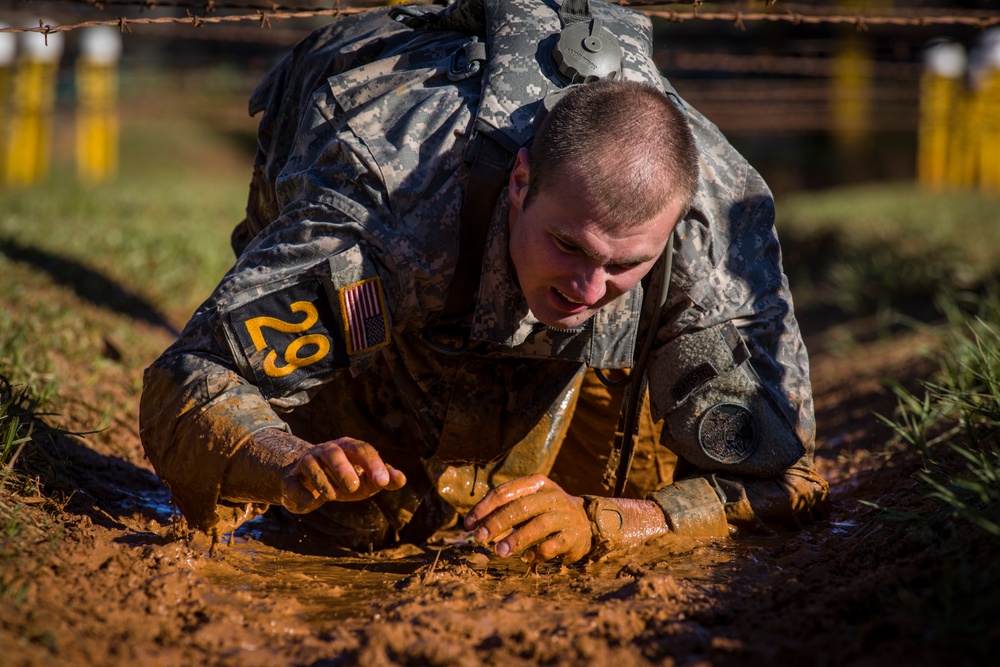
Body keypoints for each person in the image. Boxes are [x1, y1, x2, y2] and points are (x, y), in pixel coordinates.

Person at [140, 0, 830, 563]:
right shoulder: (391, 204)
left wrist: (613, 519)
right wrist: (288, 457)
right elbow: (191, 375)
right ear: (521, 182)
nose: (590, 288)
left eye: (625, 266)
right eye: (568, 246)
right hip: (393, 219)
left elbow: (788, 477)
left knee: (627, 483)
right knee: (341, 517)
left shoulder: (713, 228)